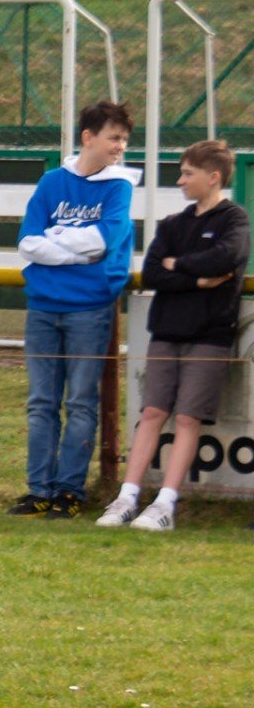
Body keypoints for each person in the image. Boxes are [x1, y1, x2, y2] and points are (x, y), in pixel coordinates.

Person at [97, 139, 249, 533]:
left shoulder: (235, 220)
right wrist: (197, 279)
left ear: (213, 178)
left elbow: (225, 258)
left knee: (186, 418)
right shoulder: (171, 225)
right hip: (166, 331)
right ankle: (127, 496)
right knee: (152, 413)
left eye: (188, 174)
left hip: (211, 335)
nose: (180, 181)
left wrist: (178, 266)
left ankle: (165, 504)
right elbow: (153, 273)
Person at [10, 100, 137, 520]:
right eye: (113, 138)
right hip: (44, 306)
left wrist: (58, 240)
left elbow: (103, 242)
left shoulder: (119, 187)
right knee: (41, 401)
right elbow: (28, 242)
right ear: (88, 137)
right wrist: (74, 252)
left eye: (123, 139)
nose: (120, 147)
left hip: (90, 308)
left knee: (81, 401)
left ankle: (69, 492)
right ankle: (39, 490)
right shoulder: (51, 182)